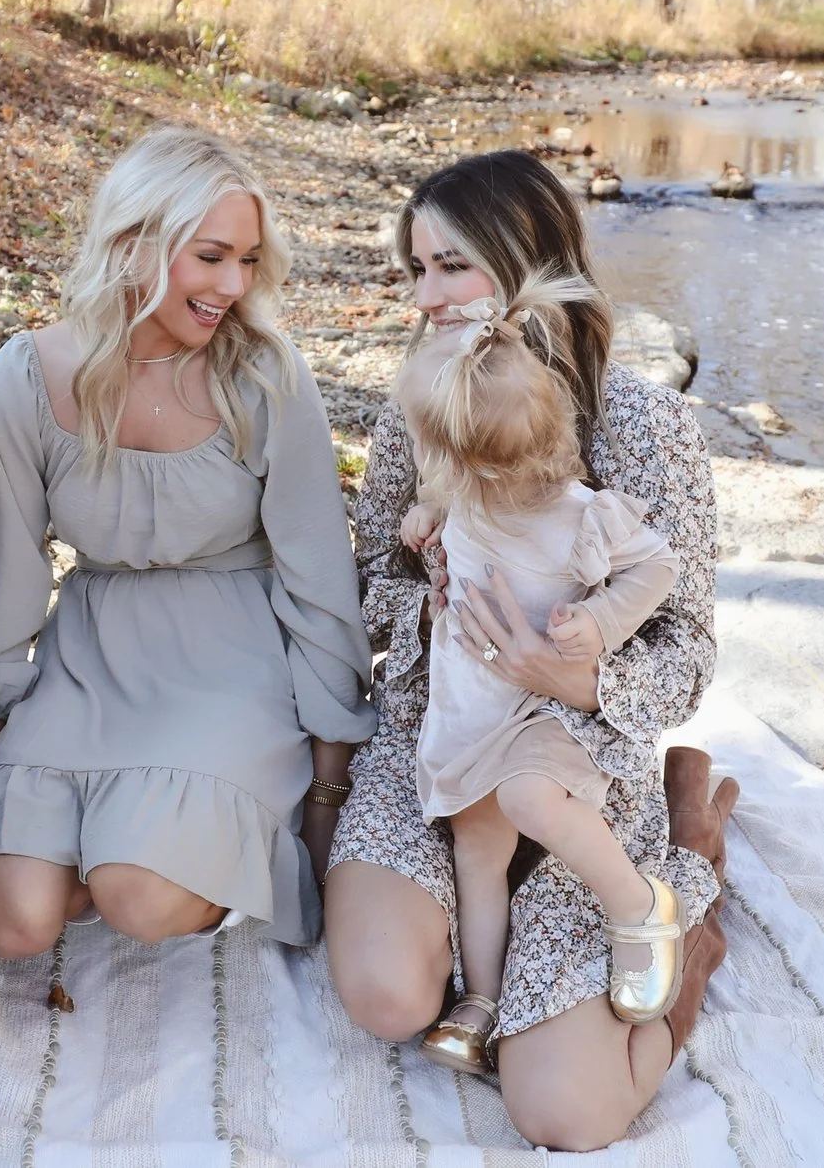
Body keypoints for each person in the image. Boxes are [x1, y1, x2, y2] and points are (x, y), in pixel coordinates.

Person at [325, 150, 740, 1153]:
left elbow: (687, 645)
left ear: (527, 258)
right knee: (385, 998)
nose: (428, 296)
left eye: (452, 266)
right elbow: (371, 576)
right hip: (443, 736)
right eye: (416, 270)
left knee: (562, 1111)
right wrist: (424, 600)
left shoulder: (641, 419)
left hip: (575, 764)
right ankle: (473, 973)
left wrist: (579, 672)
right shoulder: (421, 396)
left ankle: (686, 878)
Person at [0, 128, 374, 957]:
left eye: (248, 260)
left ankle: (162, 848)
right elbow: (4, 573)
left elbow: (320, 576)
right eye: (211, 255)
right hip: (91, 656)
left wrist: (326, 788)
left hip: (231, 658)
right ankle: (110, 835)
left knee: (138, 896)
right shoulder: (29, 375)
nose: (233, 285)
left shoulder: (264, 376)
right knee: (11, 921)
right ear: (133, 242)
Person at [387, 275, 686, 1077]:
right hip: (474, 711)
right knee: (476, 851)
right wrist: (426, 517)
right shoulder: (467, 491)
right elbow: (439, 499)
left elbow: (658, 568)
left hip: (546, 714)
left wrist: (600, 621)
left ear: (472, 459)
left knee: (525, 797)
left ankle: (639, 905)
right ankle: (481, 996)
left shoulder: (579, 518)